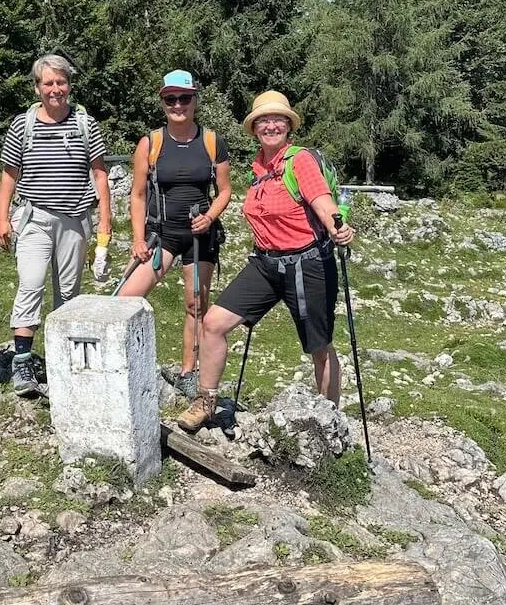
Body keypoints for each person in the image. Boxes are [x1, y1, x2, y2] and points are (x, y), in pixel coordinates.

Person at [177, 91, 356, 432]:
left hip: (308, 264)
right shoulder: (258, 168)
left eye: (278, 120)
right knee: (213, 323)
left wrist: (338, 226)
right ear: (254, 128)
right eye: (264, 121)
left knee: (319, 346)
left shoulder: (299, 160)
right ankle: (206, 402)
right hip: (266, 264)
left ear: (288, 126)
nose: (271, 125)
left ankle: (329, 420)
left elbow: (323, 201)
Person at [0, 54, 112, 397]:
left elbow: (100, 172)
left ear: (69, 85)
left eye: (61, 82)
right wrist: (2, 217)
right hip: (35, 218)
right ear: (37, 87)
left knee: (69, 295)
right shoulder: (23, 125)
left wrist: (105, 219)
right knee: (30, 285)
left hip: (75, 219)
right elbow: (8, 174)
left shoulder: (85, 124)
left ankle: (63, 360)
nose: (56, 89)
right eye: (48, 83)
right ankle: (23, 363)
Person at [117, 70, 231, 398]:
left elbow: (224, 191)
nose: (178, 104)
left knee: (197, 304)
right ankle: (124, 364)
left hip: (200, 236)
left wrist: (209, 217)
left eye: (184, 98)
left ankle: (188, 373)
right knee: (126, 298)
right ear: (163, 102)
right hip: (161, 235)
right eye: (171, 99)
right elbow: (137, 194)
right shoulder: (150, 143)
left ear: (195, 100)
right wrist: (138, 239)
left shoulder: (211, 142)